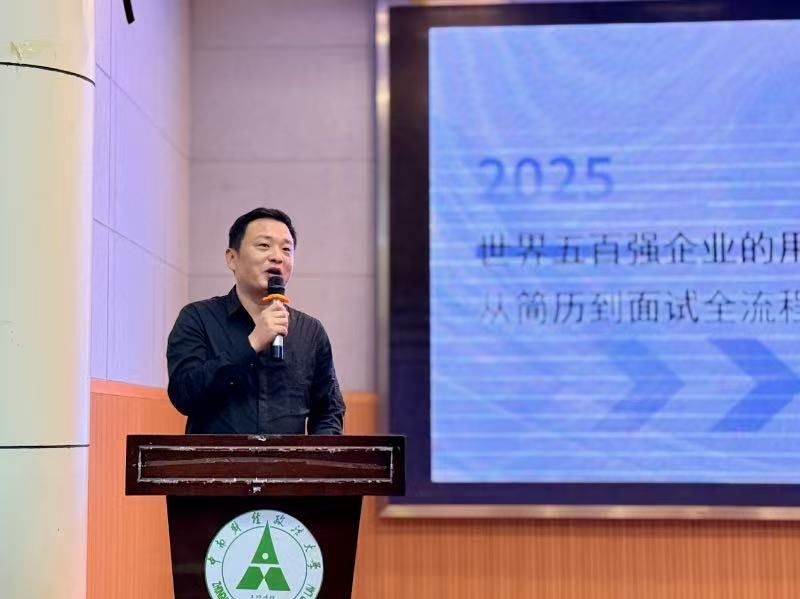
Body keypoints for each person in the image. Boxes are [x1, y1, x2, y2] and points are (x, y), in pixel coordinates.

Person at [166, 208, 345, 434]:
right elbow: (184, 395)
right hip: (215, 457)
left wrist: (318, 453)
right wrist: (251, 344)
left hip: (289, 458)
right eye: (264, 245)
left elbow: (329, 411)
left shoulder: (311, 332)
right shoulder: (197, 318)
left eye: (286, 249)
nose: (277, 256)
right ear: (232, 258)